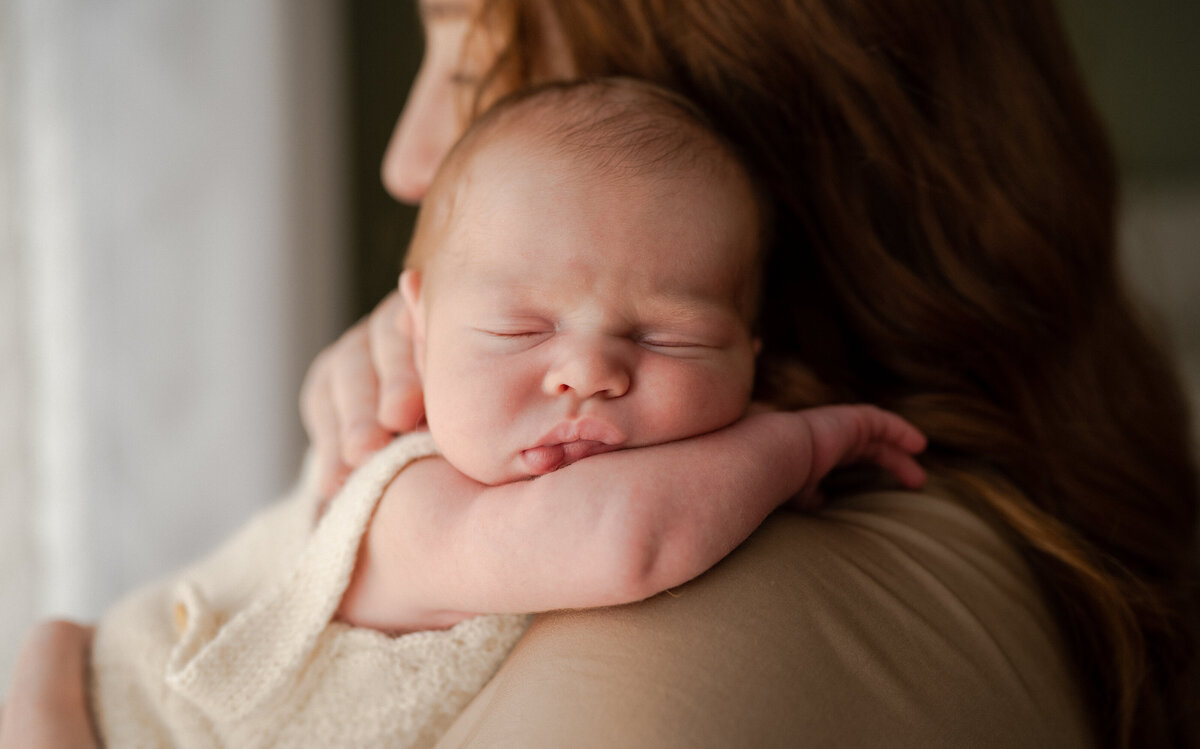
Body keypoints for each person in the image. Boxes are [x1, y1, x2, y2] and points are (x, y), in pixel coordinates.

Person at [5, 0, 1198, 747]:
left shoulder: (713, 626)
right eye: (520, 327)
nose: (408, 157)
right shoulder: (414, 492)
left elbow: (625, 537)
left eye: (473, 71)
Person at [39, 79, 928, 748]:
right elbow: (627, 539)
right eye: (520, 329)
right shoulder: (407, 501)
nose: (587, 372)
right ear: (417, 330)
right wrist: (804, 440)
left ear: (750, 352)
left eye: (668, 338)